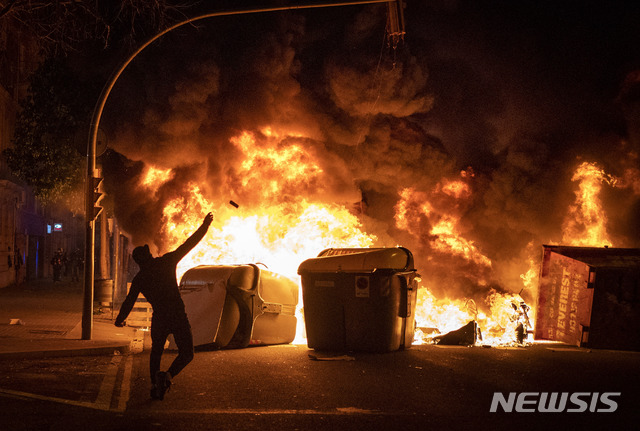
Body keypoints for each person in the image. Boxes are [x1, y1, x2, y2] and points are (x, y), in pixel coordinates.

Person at [115, 212, 213, 400]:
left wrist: (120, 319)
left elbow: (129, 301)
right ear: (149, 255)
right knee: (187, 353)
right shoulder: (167, 262)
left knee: (156, 352)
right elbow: (189, 244)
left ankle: (154, 383)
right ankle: (167, 375)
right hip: (177, 315)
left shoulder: (140, 279)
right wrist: (204, 226)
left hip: (160, 317)